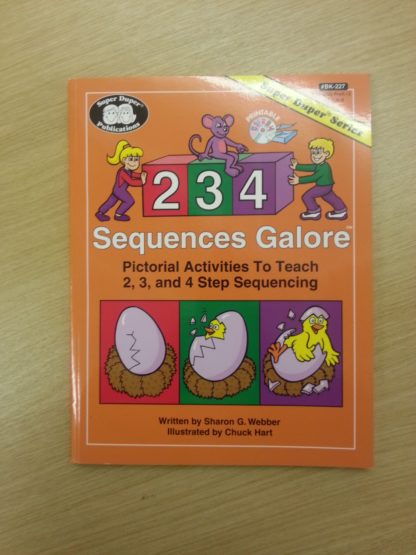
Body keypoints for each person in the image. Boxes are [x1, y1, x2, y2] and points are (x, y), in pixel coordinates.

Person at [289, 138, 347, 220]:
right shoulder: (320, 165)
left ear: (326, 154)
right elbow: (311, 167)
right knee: (329, 197)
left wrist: (299, 180)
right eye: (313, 153)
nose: (314, 156)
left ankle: (314, 212)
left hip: (323, 186)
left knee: (307, 196)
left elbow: (314, 177)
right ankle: (341, 210)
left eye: (318, 153)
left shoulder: (324, 167)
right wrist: (297, 166)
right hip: (326, 186)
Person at [95, 140, 146, 222]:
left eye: (136, 159)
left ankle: (100, 213)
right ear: (124, 160)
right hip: (119, 190)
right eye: (131, 159)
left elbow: (133, 175)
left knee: (111, 202)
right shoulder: (122, 172)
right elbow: (131, 182)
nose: (134, 162)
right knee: (129, 201)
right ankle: (118, 214)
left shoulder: (127, 171)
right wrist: (142, 182)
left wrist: (141, 175)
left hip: (117, 190)